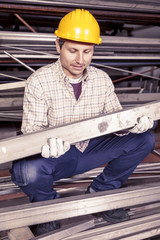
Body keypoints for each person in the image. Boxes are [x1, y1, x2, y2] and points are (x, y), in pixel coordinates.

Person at [11, 9, 155, 236]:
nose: (80, 60)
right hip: (59, 156)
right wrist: (46, 144)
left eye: (87, 51)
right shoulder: (38, 82)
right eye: (73, 50)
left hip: (91, 148)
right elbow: (32, 131)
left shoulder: (101, 79)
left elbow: (115, 119)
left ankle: (100, 191)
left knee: (144, 139)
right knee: (26, 171)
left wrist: (133, 124)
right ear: (58, 45)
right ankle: (48, 209)